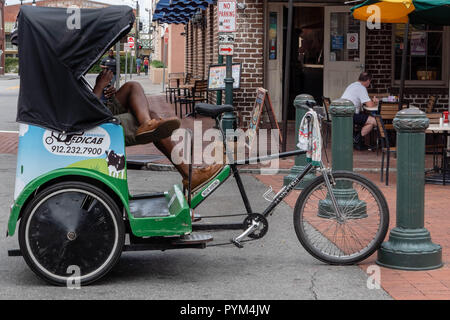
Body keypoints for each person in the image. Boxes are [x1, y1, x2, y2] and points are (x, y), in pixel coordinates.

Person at [94, 69, 222, 191]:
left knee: (133, 86)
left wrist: (103, 92)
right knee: (155, 121)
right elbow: (83, 112)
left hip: (100, 107)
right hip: (94, 122)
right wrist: (100, 86)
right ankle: (189, 174)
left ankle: (146, 123)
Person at [341, 72, 378, 150]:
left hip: (343, 113)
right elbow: (370, 105)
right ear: (368, 80)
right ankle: (357, 139)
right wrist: (375, 101)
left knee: (370, 122)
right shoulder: (361, 88)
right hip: (350, 114)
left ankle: (356, 138)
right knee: (375, 121)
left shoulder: (352, 85)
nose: (369, 83)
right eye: (370, 81)